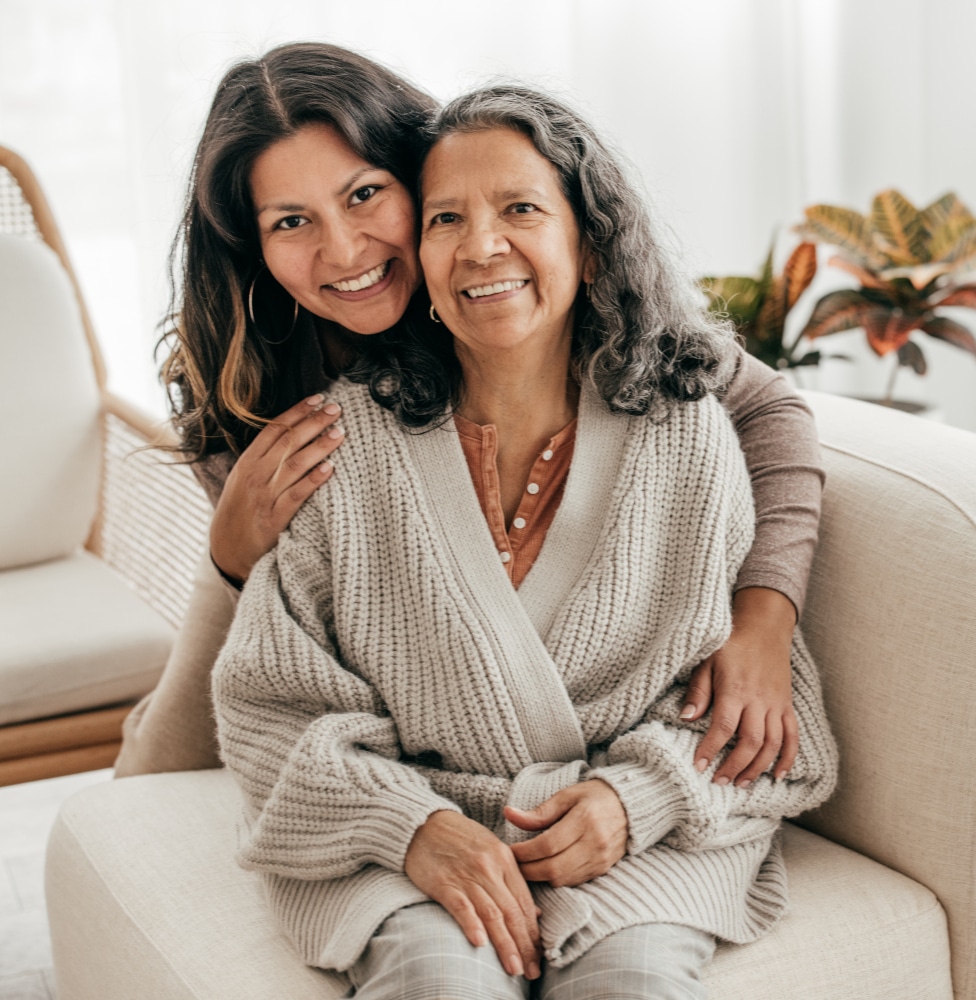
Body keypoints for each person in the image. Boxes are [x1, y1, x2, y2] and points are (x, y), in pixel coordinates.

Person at [212, 84, 838, 999]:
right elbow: (268, 706)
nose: (481, 246)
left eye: (521, 209)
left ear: (590, 241)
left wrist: (640, 798)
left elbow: (764, 729)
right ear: (420, 257)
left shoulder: (685, 432)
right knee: (437, 982)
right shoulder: (335, 446)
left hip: (635, 838)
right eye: (446, 219)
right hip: (411, 838)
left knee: (630, 982)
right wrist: (408, 827)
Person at [115, 41, 824, 796]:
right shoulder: (251, 382)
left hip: (514, 761)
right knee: (139, 787)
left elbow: (768, 408)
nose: (345, 248)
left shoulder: (523, 301)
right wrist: (229, 557)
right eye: (291, 221)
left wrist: (764, 618)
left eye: (364, 195)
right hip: (286, 649)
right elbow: (271, 670)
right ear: (253, 247)